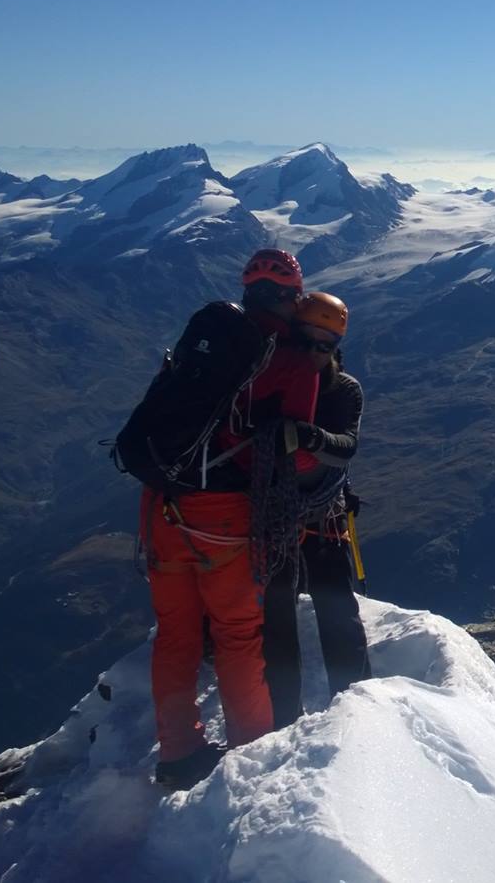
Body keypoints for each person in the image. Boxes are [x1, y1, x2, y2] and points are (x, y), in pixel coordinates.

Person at [140, 248, 320, 790]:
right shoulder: (288, 358)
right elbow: (302, 455)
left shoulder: (206, 340)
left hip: (159, 501)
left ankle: (177, 752)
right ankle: (250, 760)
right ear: (292, 296)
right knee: (238, 634)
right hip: (220, 513)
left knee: (175, 634)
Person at [261, 291, 371, 728]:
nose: (312, 352)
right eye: (305, 340)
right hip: (292, 513)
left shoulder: (343, 390)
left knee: (335, 611)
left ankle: (359, 710)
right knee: (281, 615)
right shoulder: (267, 381)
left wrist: (305, 436)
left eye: (323, 345)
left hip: (312, 515)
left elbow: (346, 447)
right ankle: (284, 715)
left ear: (335, 347)